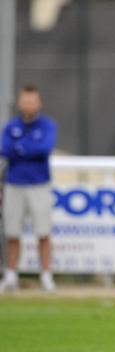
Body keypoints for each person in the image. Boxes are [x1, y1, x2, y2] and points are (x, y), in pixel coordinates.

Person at [0, 85, 57, 293]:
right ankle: (11, 275)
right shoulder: (11, 126)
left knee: (43, 232)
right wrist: (28, 147)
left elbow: (44, 149)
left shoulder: (47, 125)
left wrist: (21, 147)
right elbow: (4, 149)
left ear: (39, 103)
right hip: (14, 183)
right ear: (19, 102)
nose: (28, 105)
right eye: (25, 101)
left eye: (32, 101)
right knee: (12, 232)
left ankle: (46, 276)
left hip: (39, 184)